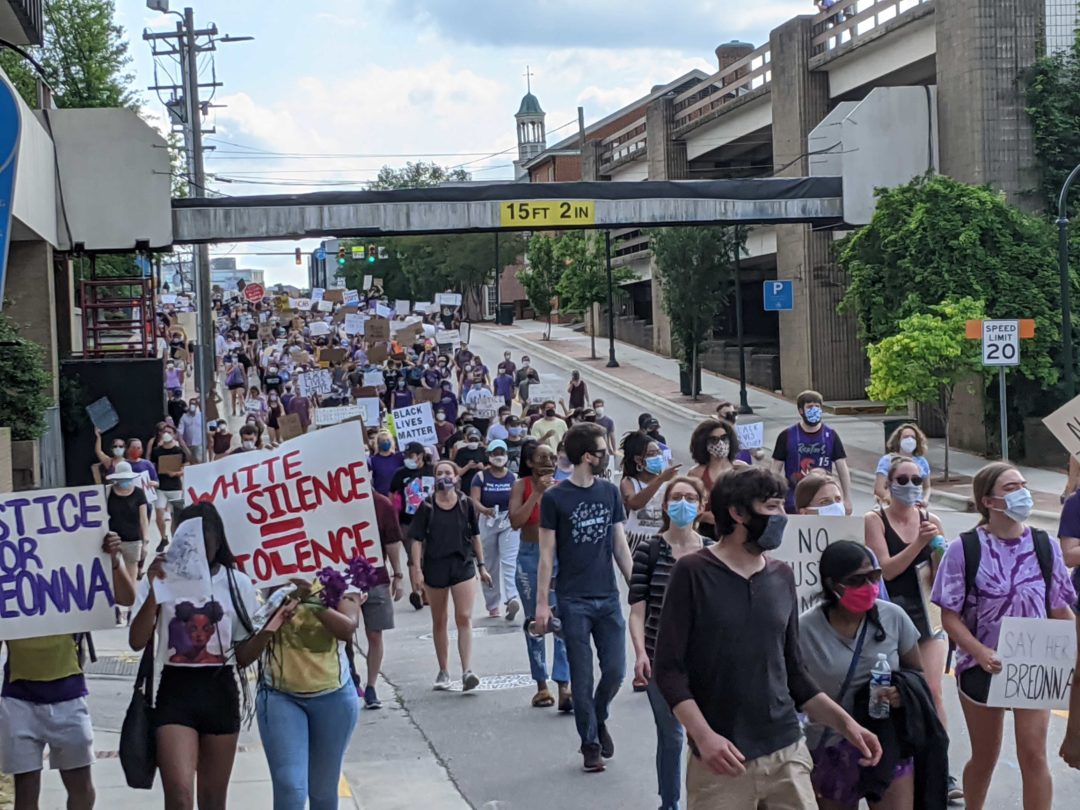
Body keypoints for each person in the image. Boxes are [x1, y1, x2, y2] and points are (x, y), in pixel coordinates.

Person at [652, 467, 882, 808]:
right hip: (721, 761)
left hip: (786, 751)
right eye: (772, 507)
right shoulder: (692, 573)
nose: (781, 516)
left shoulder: (781, 575)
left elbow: (795, 674)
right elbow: (668, 670)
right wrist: (704, 738)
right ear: (738, 512)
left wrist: (848, 725)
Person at [932, 462, 1077, 810]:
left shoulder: (1044, 546)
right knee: (985, 756)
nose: (1022, 492)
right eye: (1011, 487)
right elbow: (949, 616)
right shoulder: (964, 549)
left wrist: (1073, 644)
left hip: (1034, 662)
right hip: (982, 665)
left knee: (1034, 754)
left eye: (1023, 484)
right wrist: (979, 651)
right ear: (989, 501)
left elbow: (1059, 607)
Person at [129, 502, 284, 810]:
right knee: (180, 796)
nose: (198, 545)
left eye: (205, 537)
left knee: (213, 802)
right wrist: (154, 590)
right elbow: (136, 640)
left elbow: (242, 656)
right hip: (176, 690)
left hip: (220, 691)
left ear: (217, 540)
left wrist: (270, 628)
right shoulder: (162, 577)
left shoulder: (236, 582)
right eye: (188, 537)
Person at [0, 533, 135, 810]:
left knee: (80, 785)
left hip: (68, 693)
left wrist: (113, 559)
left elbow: (126, 597)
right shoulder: (10, 579)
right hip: (19, 696)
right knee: (25, 790)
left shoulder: (73, 571)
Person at [799, 541, 927, 810]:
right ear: (833, 585)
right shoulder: (803, 629)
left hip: (887, 741)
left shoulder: (894, 618)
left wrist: (901, 693)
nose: (869, 586)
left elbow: (916, 673)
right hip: (829, 746)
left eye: (874, 576)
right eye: (857, 580)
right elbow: (795, 690)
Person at [535, 422, 633, 773]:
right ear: (586, 456)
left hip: (607, 597)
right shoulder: (555, 498)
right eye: (602, 451)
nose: (607, 456)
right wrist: (543, 604)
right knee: (582, 674)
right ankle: (589, 744)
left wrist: (634, 587)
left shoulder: (609, 492)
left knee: (616, 671)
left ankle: (598, 714)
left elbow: (619, 544)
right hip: (573, 599)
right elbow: (547, 554)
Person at [864, 456, 958, 796]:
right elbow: (885, 570)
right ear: (888, 485)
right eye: (901, 479)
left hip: (926, 616)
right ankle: (898, 763)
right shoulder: (875, 520)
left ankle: (940, 769)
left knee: (931, 691)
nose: (909, 486)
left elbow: (942, 574)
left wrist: (936, 550)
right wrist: (918, 543)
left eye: (916, 479)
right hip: (890, 616)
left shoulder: (931, 519)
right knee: (892, 694)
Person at [629, 476, 711, 810]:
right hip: (660, 660)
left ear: (702, 507)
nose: (683, 503)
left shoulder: (711, 552)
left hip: (705, 661)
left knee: (706, 735)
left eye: (691, 498)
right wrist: (639, 654)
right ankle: (670, 803)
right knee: (673, 734)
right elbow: (637, 612)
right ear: (665, 505)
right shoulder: (648, 551)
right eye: (676, 497)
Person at [256, 571, 364, 810]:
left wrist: (312, 600)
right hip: (278, 694)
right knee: (290, 788)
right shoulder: (263, 568)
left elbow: (348, 628)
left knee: (323, 792)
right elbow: (248, 626)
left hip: (333, 696)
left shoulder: (341, 569)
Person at [408, 460, 493, 691]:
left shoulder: (465, 504)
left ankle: (467, 671)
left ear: (456, 477)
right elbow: (416, 539)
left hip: (462, 565)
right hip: (435, 566)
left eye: (448, 472)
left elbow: (475, 536)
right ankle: (444, 670)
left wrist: (482, 566)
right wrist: (416, 569)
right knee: (440, 619)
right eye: (439, 473)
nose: (444, 476)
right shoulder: (427, 506)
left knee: (464, 617)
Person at [510, 441, 572, 710]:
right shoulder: (521, 486)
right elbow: (516, 521)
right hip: (529, 556)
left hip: (559, 557)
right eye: (541, 457)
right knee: (535, 622)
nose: (548, 461)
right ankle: (541, 685)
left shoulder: (564, 487)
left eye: (552, 456)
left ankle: (564, 686)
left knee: (562, 621)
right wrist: (536, 492)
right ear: (530, 462)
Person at [357, 491, 407, 709]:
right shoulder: (331, 502)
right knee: (341, 634)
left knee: (375, 634)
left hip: (375, 577)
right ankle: (349, 677)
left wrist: (398, 575)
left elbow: (392, 541)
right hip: (339, 579)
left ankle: (371, 685)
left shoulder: (381, 504)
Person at [771, 390, 853, 514]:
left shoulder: (831, 435)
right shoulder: (787, 436)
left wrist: (847, 498)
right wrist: (775, 497)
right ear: (801, 410)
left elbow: (842, 468)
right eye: (810, 407)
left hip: (826, 504)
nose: (814, 410)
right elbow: (775, 469)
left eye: (817, 407)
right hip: (793, 502)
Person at [470, 440, 521, 620]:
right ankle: (492, 605)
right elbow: (474, 500)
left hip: (508, 521)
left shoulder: (513, 478)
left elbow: (518, 499)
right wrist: (484, 510)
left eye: (502, 452)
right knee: (489, 564)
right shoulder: (481, 477)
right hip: (487, 520)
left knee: (509, 561)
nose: (499, 456)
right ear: (489, 456)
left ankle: (511, 598)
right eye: (495, 453)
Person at [620, 431, 680, 553]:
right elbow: (635, 504)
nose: (658, 457)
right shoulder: (629, 482)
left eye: (659, 452)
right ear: (638, 460)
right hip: (636, 541)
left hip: (661, 539)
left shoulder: (669, 482)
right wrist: (661, 479)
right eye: (652, 454)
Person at [686, 418, 746, 541]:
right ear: (703, 443)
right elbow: (687, 509)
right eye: (714, 440)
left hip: (737, 534)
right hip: (707, 534)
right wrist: (704, 516)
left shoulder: (741, 469)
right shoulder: (697, 473)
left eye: (724, 438)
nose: (720, 443)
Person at [106, 461, 153, 584]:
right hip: (113, 540)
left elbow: (143, 519)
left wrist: (146, 541)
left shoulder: (138, 493)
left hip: (133, 540)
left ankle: (131, 602)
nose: (125, 481)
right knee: (112, 575)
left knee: (131, 576)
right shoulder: (107, 492)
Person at [875, 424, 932, 504]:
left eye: (913, 437)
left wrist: (925, 500)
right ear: (898, 440)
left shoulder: (922, 462)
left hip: (916, 506)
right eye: (906, 437)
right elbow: (879, 489)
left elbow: (927, 487)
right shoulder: (887, 460)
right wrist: (893, 503)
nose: (910, 440)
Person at [151, 427, 189, 539]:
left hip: (175, 487)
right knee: (159, 514)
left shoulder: (179, 451)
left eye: (169, 432)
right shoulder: (157, 451)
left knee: (175, 516)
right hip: (161, 487)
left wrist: (176, 473)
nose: (166, 434)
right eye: (164, 432)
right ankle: (163, 537)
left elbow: (186, 467)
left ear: (174, 434)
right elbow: (153, 467)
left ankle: (175, 538)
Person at [369, 430, 404, 496]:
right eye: (382, 441)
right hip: (383, 497)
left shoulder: (399, 457)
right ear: (378, 443)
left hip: (399, 496)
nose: (385, 442)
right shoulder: (373, 460)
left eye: (387, 440)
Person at [178, 397, 205, 464]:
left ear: (196, 406)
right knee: (189, 462)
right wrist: (182, 443)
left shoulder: (201, 416)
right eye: (191, 404)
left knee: (199, 461)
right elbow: (180, 432)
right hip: (188, 445)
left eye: (194, 404)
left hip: (199, 444)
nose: (192, 405)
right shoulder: (184, 417)